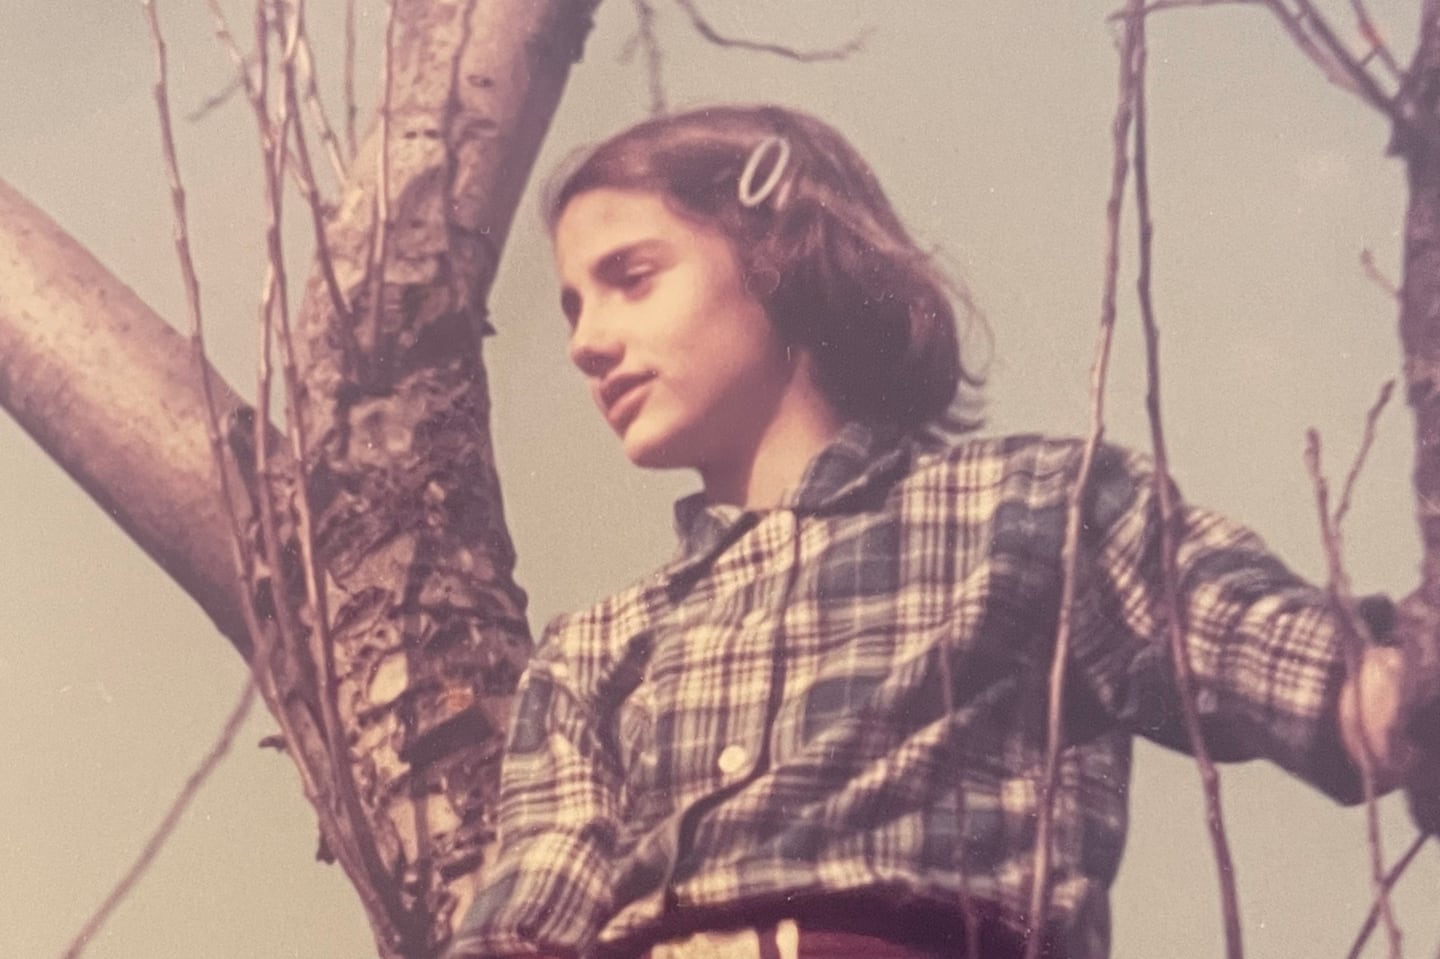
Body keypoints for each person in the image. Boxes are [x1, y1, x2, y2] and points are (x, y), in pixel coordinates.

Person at [447, 104, 1426, 959]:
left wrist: (1399, 690)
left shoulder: (1041, 507)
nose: (585, 341)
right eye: (574, 304)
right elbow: (525, 925)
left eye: (632, 276)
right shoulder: (593, 651)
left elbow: (1319, 677)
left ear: (780, 251)